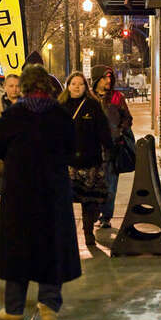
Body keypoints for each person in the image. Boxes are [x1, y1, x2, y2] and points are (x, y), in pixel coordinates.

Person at [0, 64, 80, 320]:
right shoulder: (59, 115)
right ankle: (49, 308)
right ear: (47, 86)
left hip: (20, 192)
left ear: (24, 86)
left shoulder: (15, 114)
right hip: (53, 191)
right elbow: (73, 148)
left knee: (17, 248)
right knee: (52, 246)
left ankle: (14, 309)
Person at [58, 71, 114, 247]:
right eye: (73, 84)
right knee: (63, 200)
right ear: (68, 86)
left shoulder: (93, 105)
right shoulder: (60, 106)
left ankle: (88, 232)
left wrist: (110, 149)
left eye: (80, 84)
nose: (77, 87)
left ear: (86, 87)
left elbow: (103, 130)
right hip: (67, 163)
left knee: (89, 201)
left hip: (90, 161)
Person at [91, 64, 133, 228]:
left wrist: (119, 132)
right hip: (93, 149)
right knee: (93, 184)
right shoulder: (90, 98)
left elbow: (127, 118)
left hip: (112, 148)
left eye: (110, 77)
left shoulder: (117, 97)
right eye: (104, 77)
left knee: (110, 184)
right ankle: (95, 214)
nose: (108, 80)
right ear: (97, 80)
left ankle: (106, 217)